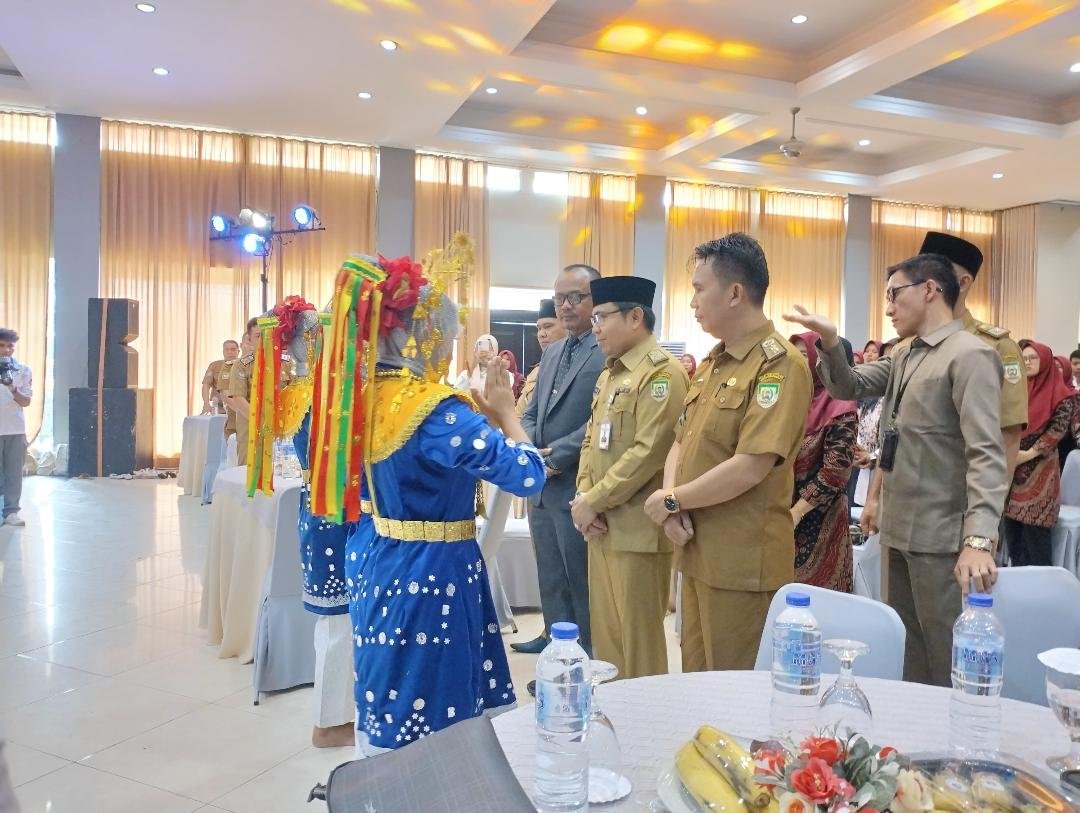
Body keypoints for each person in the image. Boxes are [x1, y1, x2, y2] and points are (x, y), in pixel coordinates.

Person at [309, 253, 546, 756]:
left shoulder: (354, 396)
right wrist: (505, 411)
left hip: (374, 554)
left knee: (386, 680)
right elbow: (526, 475)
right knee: (433, 696)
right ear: (426, 336)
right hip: (432, 570)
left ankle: (381, 778)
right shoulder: (435, 410)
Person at [788, 253, 1008, 687]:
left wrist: (979, 540)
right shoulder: (906, 355)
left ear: (930, 290)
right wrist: (831, 342)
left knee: (946, 657)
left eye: (895, 295)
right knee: (909, 652)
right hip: (900, 529)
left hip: (944, 537)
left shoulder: (970, 355)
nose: (888, 308)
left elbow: (986, 453)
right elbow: (848, 385)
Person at [643, 233, 812, 672]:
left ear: (735, 293)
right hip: (698, 547)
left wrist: (673, 500)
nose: (693, 301)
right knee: (698, 681)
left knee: (735, 693)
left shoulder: (779, 365)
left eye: (700, 289)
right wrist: (672, 504)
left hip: (742, 564)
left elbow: (751, 466)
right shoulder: (715, 362)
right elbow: (681, 440)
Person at [859, 232, 1028, 540]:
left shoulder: (992, 347)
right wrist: (874, 497)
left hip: (953, 514)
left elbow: (1003, 443)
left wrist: (983, 528)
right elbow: (894, 432)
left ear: (961, 283)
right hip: (903, 510)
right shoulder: (907, 347)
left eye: (934, 270)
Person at [571, 276, 688, 679]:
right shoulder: (610, 375)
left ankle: (644, 732)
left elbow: (647, 452)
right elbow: (591, 441)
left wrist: (593, 501)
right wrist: (582, 499)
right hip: (600, 528)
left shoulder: (662, 375)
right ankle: (612, 726)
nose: (595, 326)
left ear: (635, 316)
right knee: (607, 647)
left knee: (639, 649)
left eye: (602, 317)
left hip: (638, 532)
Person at [515, 264, 607, 659]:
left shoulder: (606, 349)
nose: (566, 306)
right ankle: (555, 648)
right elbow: (533, 410)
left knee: (579, 578)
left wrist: (561, 455)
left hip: (577, 483)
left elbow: (602, 417)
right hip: (542, 484)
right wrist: (531, 449)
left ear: (596, 300)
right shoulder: (551, 353)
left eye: (576, 297)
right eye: (560, 298)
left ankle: (583, 658)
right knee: (550, 574)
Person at [788, 332, 858, 591]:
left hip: (821, 520)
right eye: (792, 354)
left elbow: (836, 471)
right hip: (780, 517)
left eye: (803, 355)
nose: (796, 360)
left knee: (819, 605)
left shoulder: (839, 402)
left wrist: (796, 513)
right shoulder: (790, 399)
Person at [1003, 341, 1077, 565]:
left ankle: (1040, 594)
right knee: (1014, 539)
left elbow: (1057, 431)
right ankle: (1018, 593)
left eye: (1032, 358)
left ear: (1045, 361)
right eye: (1023, 358)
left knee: (1035, 542)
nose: (1027, 363)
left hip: (1041, 472)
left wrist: (1026, 455)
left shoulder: (1062, 395)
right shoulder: (1016, 392)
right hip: (1012, 473)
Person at [0, 329, 31, 528]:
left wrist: (11, 387)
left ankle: (11, 512)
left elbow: (26, 401)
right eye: (1, 345)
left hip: (14, 429)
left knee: (13, 473)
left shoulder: (23, 370)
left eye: (10, 346)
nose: (6, 350)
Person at [515, 298, 564, 418]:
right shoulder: (536, 371)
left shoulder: (572, 368)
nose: (541, 334)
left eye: (548, 326)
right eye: (539, 328)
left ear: (566, 327)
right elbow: (520, 414)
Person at [222, 317, 259, 466]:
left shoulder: (285, 363)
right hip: (251, 426)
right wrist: (261, 421)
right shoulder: (242, 365)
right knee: (248, 473)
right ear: (249, 340)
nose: (264, 339)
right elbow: (237, 398)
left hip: (282, 432)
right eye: (258, 336)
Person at [200, 339, 240, 415]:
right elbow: (206, 385)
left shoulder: (244, 366)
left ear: (238, 351)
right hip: (219, 408)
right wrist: (206, 403)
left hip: (239, 408)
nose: (229, 352)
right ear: (223, 352)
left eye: (233, 349)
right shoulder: (215, 365)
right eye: (226, 349)